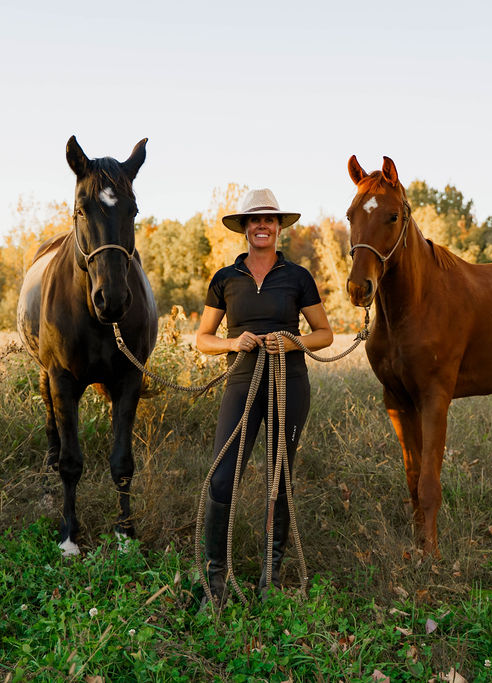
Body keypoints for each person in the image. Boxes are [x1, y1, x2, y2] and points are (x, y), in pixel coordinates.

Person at [195, 188, 333, 604]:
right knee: (222, 475)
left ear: (278, 228)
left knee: (279, 477)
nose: (262, 226)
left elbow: (325, 334)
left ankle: (270, 577)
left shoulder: (298, 277)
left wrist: (290, 342)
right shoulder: (224, 279)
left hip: (288, 381)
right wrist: (232, 344)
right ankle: (215, 579)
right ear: (244, 228)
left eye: (269, 220)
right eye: (255, 220)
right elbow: (202, 339)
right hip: (241, 381)